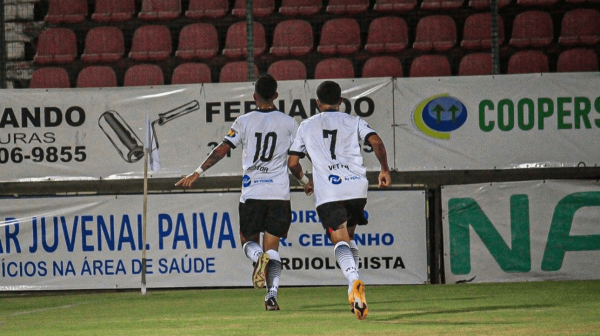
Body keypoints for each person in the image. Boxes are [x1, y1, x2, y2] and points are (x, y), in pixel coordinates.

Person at [176, 74, 306, 311]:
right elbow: (293, 162)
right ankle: (271, 295)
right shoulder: (290, 123)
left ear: (255, 96)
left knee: (248, 241)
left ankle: (257, 259)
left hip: (253, 193)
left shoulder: (244, 121)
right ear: (276, 96)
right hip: (278, 195)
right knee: (273, 249)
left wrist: (197, 172)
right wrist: (305, 181)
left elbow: (222, 149)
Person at [287, 80, 391, 320]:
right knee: (350, 237)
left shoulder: (307, 125)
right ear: (341, 102)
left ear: (317, 103)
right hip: (356, 189)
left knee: (339, 239)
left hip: (330, 192)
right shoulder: (354, 121)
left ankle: (354, 280)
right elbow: (376, 141)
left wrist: (304, 182)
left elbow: (293, 163)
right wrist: (384, 170)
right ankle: (353, 294)